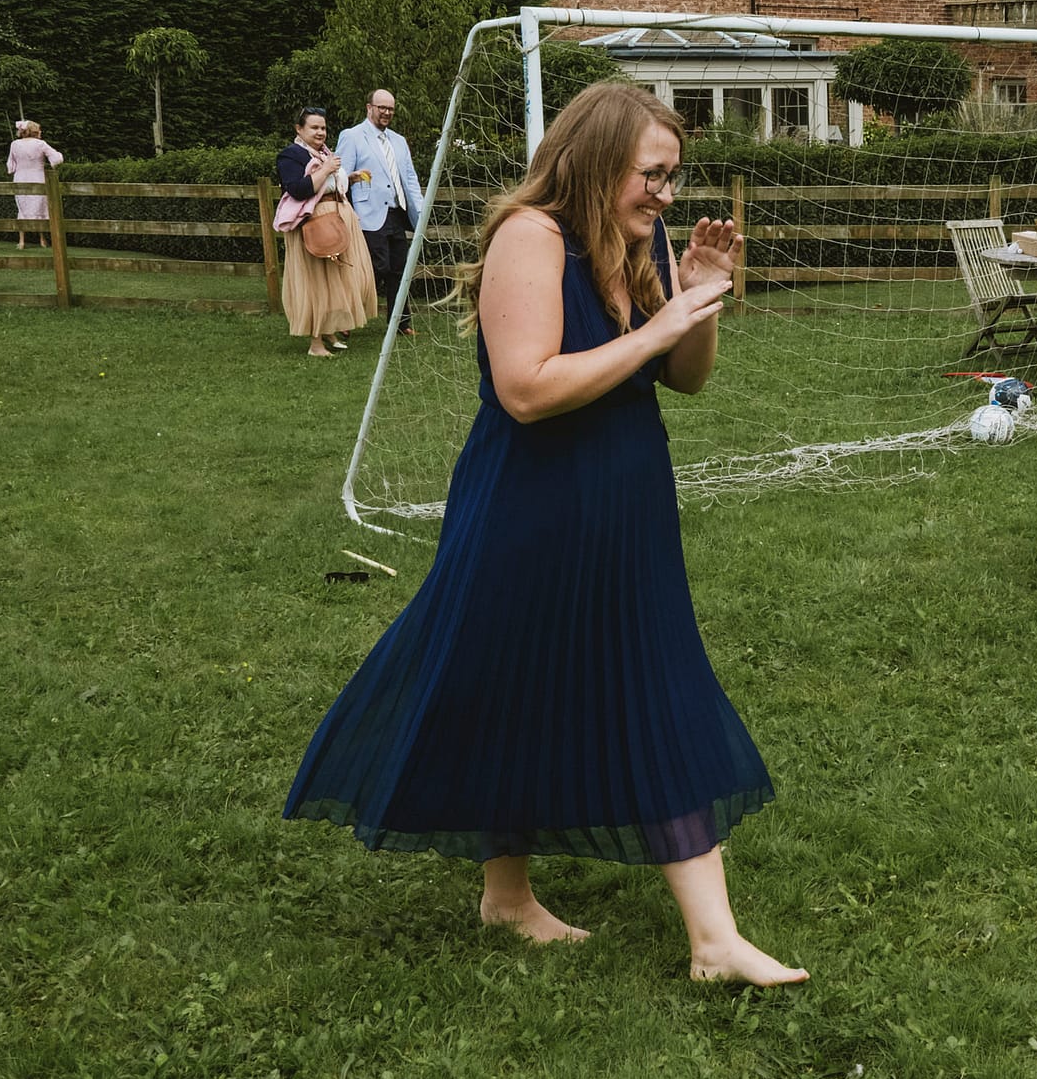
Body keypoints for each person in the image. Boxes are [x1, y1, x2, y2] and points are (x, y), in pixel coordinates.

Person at [284, 83, 807, 986]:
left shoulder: (643, 239)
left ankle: (714, 940)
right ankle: (509, 895)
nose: (665, 194)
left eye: (672, 178)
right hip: (530, 497)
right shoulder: (530, 236)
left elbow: (685, 378)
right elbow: (526, 389)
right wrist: (658, 330)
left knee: (658, 677)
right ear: (597, 159)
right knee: (505, 679)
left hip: (627, 494)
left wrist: (702, 301)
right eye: (651, 175)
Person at [276, 107, 378, 358]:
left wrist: (349, 179)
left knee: (338, 280)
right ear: (299, 129)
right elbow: (298, 189)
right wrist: (326, 169)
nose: (320, 132)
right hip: (316, 224)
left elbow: (328, 186)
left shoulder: (324, 154)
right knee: (317, 283)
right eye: (314, 127)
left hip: (337, 218)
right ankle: (316, 343)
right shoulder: (291, 155)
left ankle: (329, 331)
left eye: (323, 127)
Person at [335, 89, 424, 337]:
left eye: (390, 109)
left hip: (397, 213)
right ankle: (345, 318)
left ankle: (401, 323)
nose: (386, 112)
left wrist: (420, 210)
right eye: (381, 107)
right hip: (367, 214)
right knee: (374, 268)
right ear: (369, 107)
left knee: (399, 269)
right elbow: (340, 178)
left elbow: (410, 179)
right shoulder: (352, 136)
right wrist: (346, 212)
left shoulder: (399, 140)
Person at [5, 120, 63, 250]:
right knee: (39, 208)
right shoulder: (40, 144)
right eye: (39, 130)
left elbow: (10, 164)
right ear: (34, 131)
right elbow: (57, 158)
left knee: (22, 208)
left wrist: (12, 169)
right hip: (37, 177)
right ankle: (42, 239)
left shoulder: (14, 144)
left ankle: (22, 241)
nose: (41, 132)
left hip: (20, 178)